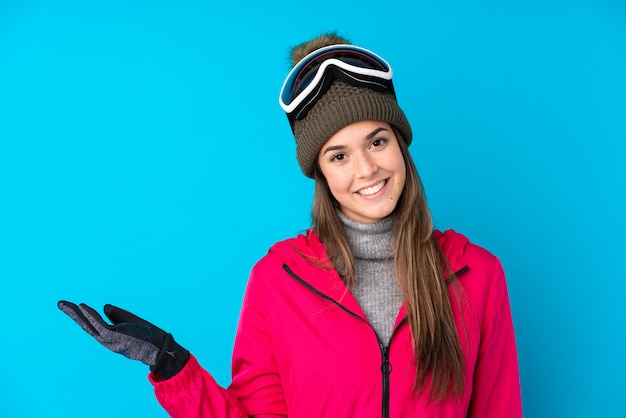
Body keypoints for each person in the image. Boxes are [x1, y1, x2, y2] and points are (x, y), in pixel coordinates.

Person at [59, 33, 522, 417]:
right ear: (320, 171)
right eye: (338, 155)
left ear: (401, 146)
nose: (365, 169)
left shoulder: (478, 276)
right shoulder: (277, 280)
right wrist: (172, 366)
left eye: (377, 141)